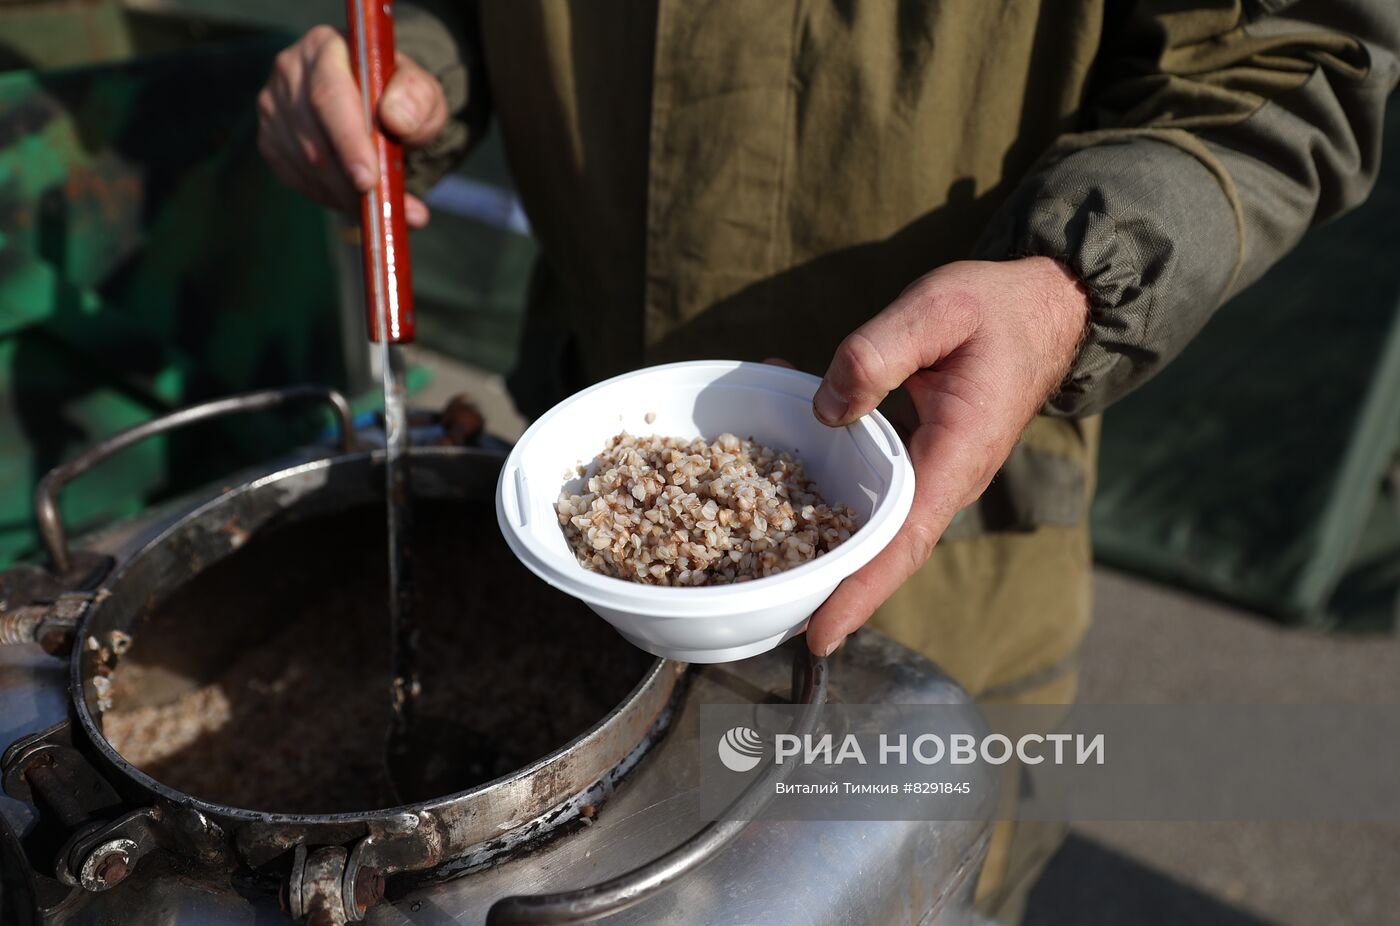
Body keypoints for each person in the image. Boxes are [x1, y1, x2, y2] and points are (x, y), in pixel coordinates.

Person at [256, 2, 1399, 920]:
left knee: (900, 883)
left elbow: (1291, 52)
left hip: (948, 561)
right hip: (585, 601)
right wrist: (411, 72)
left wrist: (1067, 285)